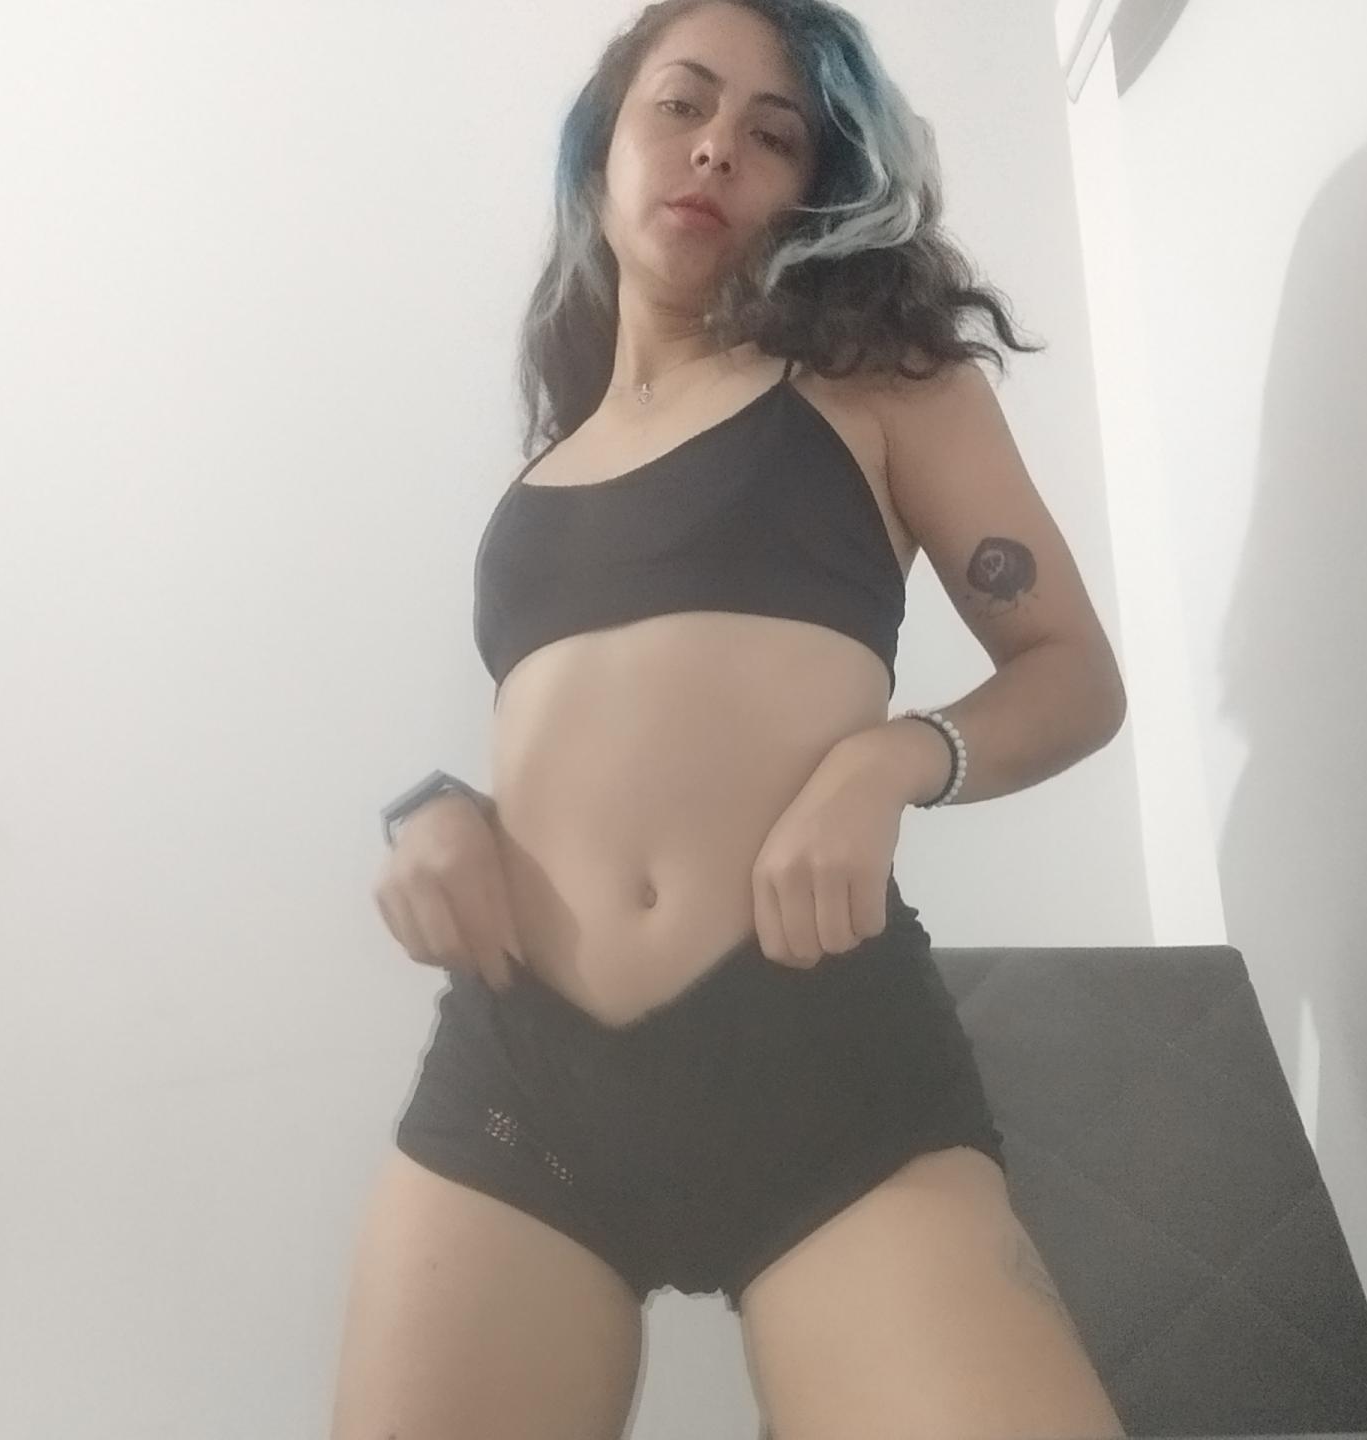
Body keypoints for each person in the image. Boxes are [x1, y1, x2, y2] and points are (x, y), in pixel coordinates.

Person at [334, 3, 1129, 1437]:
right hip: (524, 1084)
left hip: (820, 1060)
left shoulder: (879, 390)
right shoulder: (540, 480)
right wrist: (434, 811)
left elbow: (1072, 673)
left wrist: (895, 758)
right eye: (681, 105)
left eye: (774, 135)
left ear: (812, 191)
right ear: (601, 144)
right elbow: (594, 753)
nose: (717, 149)